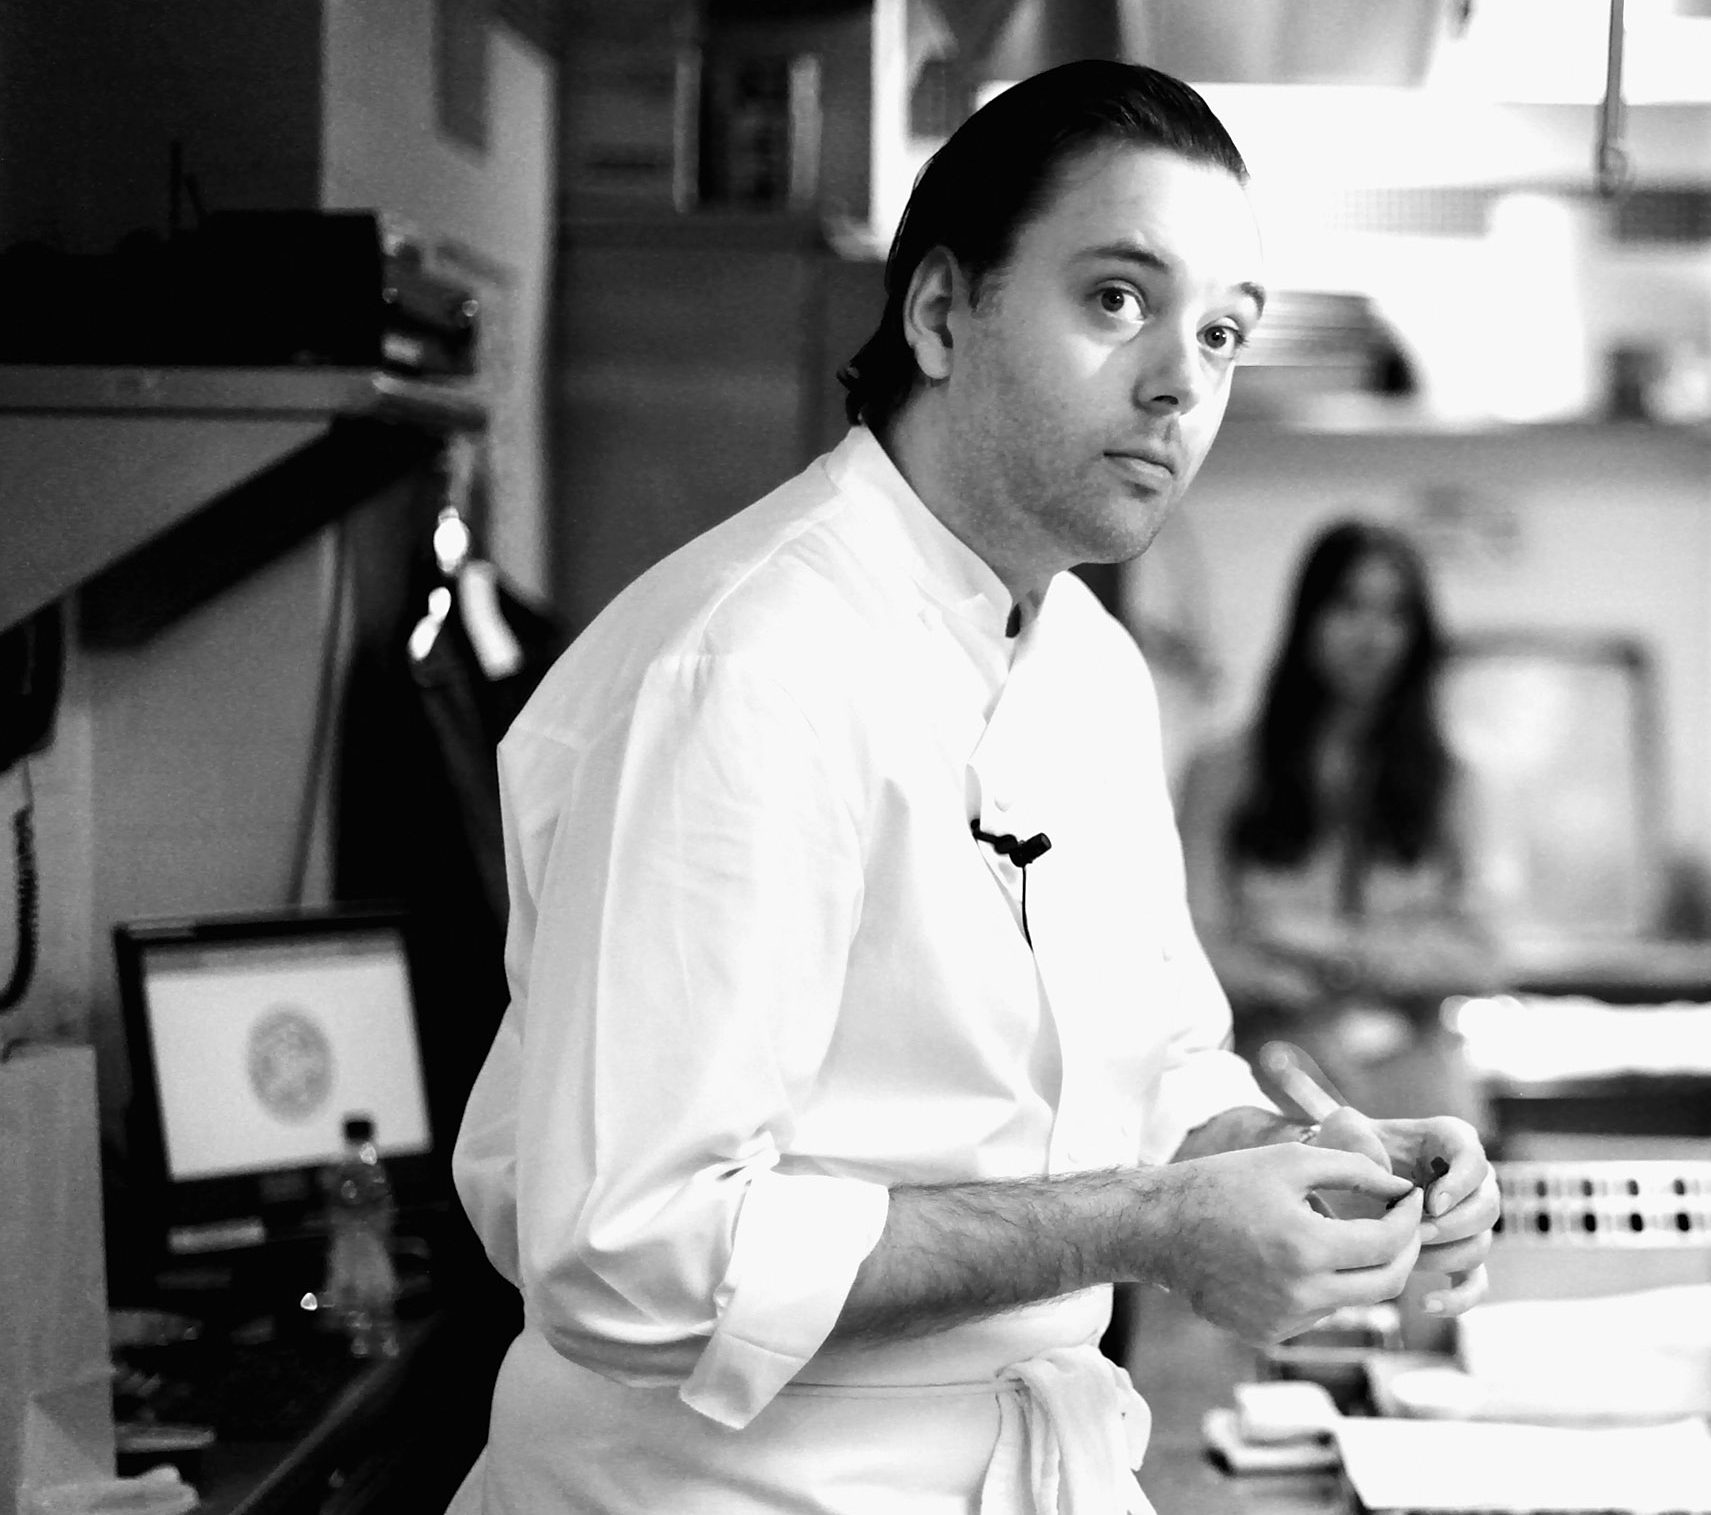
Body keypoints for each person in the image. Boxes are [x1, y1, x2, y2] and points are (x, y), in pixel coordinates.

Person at [443, 61, 1498, 1515]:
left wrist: (1309, 1166)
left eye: (1224, 333)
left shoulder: (1088, 665)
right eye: (1118, 298)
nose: (1181, 379)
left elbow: (1162, 1082)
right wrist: (1158, 1222)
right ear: (942, 313)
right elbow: (626, 1253)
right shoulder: (750, 661)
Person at [1179, 520, 1497, 1124]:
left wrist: (1329, 952)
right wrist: (1377, 957)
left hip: (1420, 1099)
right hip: (1269, 1097)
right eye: (1348, 605)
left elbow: (1483, 953)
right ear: (1307, 618)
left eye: (1395, 613)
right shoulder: (1222, 771)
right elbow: (1193, 947)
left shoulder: (1452, 780)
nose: (1371, 634)